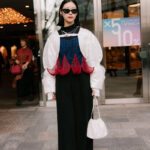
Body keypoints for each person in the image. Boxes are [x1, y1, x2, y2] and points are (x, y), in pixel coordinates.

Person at [42, 0, 105, 150]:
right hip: (63, 84)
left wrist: (95, 87)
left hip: (83, 83)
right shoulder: (53, 38)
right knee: (65, 121)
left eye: (74, 11)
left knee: (84, 119)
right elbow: (49, 65)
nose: (70, 13)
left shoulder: (86, 35)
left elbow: (95, 63)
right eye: (67, 10)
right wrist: (51, 91)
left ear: (77, 13)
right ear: (61, 12)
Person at [15, 38, 34, 106]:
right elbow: (16, 57)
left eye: (23, 41)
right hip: (20, 68)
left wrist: (26, 64)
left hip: (27, 68)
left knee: (28, 82)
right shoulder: (18, 50)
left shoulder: (29, 50)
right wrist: (16, 60)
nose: (21, 42)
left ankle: (30, 95)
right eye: (20, 41)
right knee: (19, 83)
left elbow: (30, 58)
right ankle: (19, 98)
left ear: (26, 42)